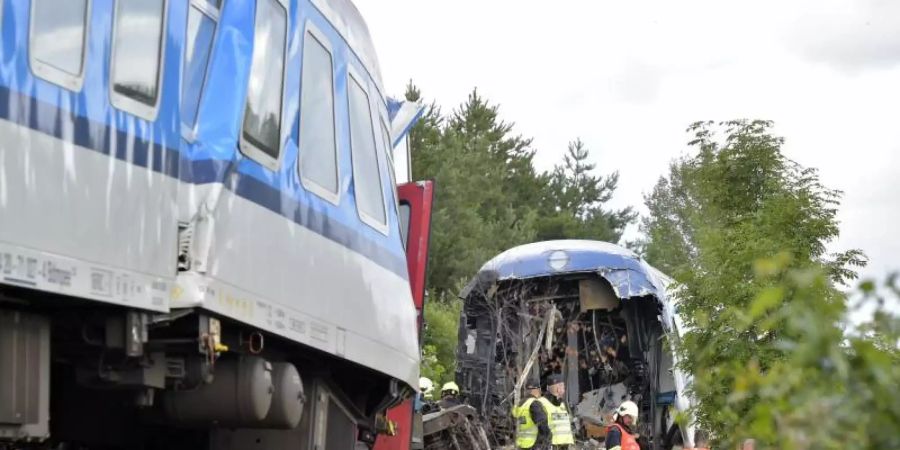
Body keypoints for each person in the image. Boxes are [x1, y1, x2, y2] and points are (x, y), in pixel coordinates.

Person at [536, 374, 575, 449]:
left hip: (564, 444)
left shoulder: (561, 404)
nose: (564, 389)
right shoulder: (541, 402)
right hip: (552, 444)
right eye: (563, 387)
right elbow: (540, 425)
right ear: (558, 388)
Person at [513, 379, 547, 449]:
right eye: (539, 389)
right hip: (533, 444)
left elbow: (513, 424)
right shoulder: (534, 403)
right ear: (535, 390)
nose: (540, 391)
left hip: (520, 443)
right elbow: (542, 423)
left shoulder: (518, 405)